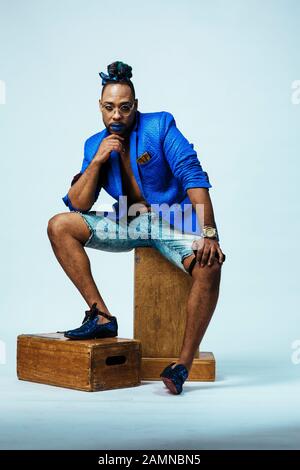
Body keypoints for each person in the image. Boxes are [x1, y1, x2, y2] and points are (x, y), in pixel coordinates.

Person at [47, 60, 226, 395]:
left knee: (210, 265)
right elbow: (78, 203)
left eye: (125, 108)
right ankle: (100, 316)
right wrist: (99, 160)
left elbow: (192, 174)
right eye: (110, 108)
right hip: (128, 221)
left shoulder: (159, 127)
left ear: (135, 107)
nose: (117, 116)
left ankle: (181, 365)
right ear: (100, 108)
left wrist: (209, 232)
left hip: (171, 222)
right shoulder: (93, 144)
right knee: (60, 225)